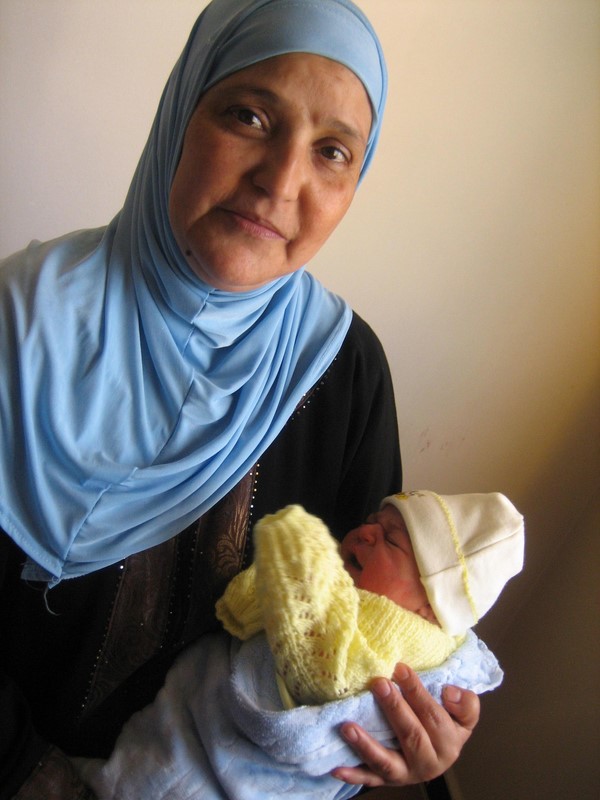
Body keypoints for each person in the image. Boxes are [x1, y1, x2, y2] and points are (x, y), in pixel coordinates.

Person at [0, 1, 481, 797]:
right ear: (182, 112)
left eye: (331, 152)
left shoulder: (346, 372)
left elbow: (370, 629)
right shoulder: (18, 326)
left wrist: (408, 732)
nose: (281, 182)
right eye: (250, 116)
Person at [73, 490, 524, 799]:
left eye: (390, 539)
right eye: (372, 521)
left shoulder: (392, 634)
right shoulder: (419, 623)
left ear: (430, 609)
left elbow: (322, 670)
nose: (364, 531)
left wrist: (296, 544)